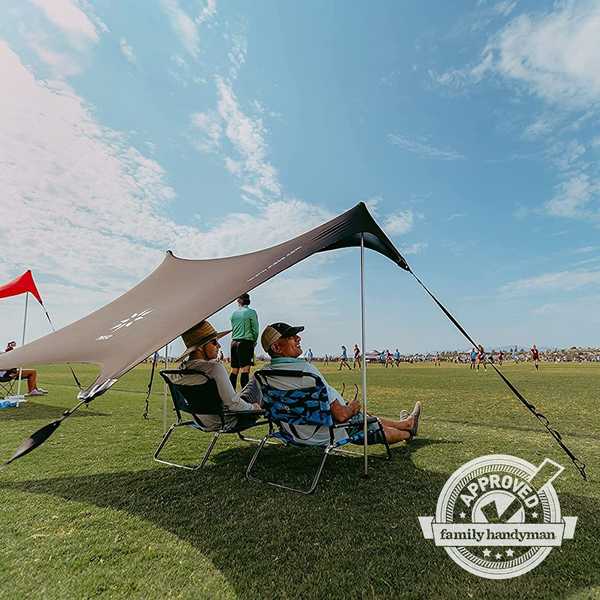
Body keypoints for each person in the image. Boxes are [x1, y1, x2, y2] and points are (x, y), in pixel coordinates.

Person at [254, 323, 421, 446]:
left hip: (292, 433)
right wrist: (353, 407)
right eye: (291, 336)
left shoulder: (263, 375)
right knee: (366, 422)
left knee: (363, 419)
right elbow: (341, 415)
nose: (298, 338)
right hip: (327, 432)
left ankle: (406, 424)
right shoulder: (306, 371)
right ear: (276, 346)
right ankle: (406, 432)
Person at [172, 321, 261, 431]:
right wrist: (254, 408)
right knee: (258, 379)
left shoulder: (178, 372)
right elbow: (233, 404)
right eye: (214, 342)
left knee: (244, 394)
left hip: (201, 422)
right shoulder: (214, 368)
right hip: (228, 421)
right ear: (199, 347)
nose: (219, 346)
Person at [229, 293, 259, 390]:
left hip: (233, 342)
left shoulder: (234, 314)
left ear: (239, 301)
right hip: (245, 342)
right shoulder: (251, 312)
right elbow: (255, 329)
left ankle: (231, 394)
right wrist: (254, 341)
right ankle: (244, 396)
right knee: (245, 370)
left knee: (234, 370)